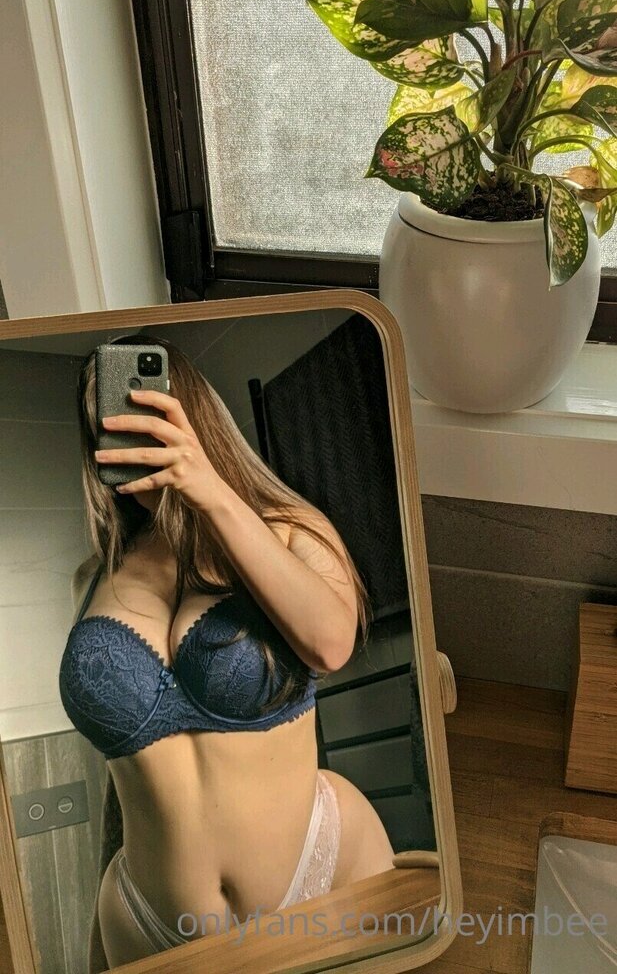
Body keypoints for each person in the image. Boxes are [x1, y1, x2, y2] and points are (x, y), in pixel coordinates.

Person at [59, 334, 395, 968]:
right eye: (106, 420)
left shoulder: (292, 530)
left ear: (188, 412)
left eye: (140, 409)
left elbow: (331, 644)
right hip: (144, 914)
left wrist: (208, 489)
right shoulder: (90, 578)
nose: (124, 432)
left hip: (318, 872)